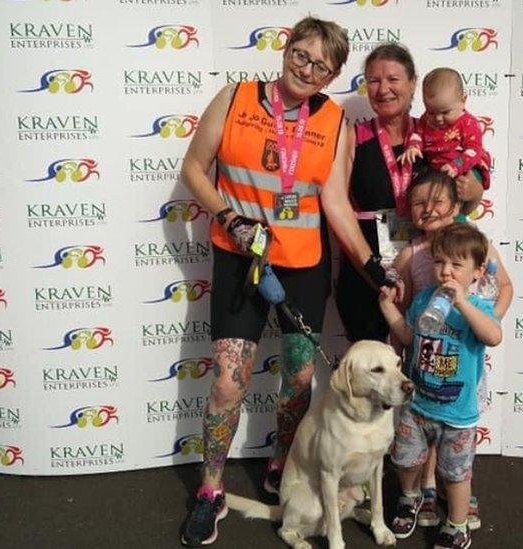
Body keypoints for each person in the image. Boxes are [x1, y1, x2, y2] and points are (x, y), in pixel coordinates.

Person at [178, 17, 394, 547]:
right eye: (302, 55)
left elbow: (336, 204)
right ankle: (211, 491)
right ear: (286, 48)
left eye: (322, 65)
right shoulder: (236, 98)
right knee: (229, 381)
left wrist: (373, 268)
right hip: (240, 258)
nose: (307, 69)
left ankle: (281, 465)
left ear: (333, 74)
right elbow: (194, 168)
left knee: (298, 382)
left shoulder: (336, 121)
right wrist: (228, 216)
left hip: (303, 268)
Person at [336, 44, 487, 343]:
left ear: (413, 83)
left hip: (430, 268)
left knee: (430, 360)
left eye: (393, 79)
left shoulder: (437, 133)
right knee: (372, 369)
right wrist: (372, 270)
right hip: (367, 272)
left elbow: (466, 203)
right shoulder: (354, 137)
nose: (383, 89)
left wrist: (476, 190)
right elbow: (336, 204)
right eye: (374, 80)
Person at [393, 170, 514, 531]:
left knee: (453, 441)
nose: (428, 209)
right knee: (420, 433)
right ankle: (424, 490)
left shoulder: (476, 244)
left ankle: (452, 496)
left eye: (437, 202)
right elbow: (404, 310)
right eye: (419, 203)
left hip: (461, 355)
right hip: (425, 357)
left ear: (455, 205)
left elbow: (505, 286)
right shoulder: (412, 252)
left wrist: (483, 321)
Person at [379, 223, 503, 549]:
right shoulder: (422, 300)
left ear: (476, 272)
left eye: (456, 265)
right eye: (439, 263)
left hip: (457, 415)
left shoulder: (479, 308)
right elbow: (408, 337)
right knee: (405, 460)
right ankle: (409, 497)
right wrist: (387, 308)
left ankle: (458, 526)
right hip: (418, 406)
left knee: (456, 474)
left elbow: (494, 336)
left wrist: (462, 303)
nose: (446, 272)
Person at [398, 67, 491, 218]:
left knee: (454, 211)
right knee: (436, 209)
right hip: (439, 171)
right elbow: (417, 134)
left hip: (465, 168)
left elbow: (474, 151)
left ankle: (457, 236)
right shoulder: (426, 119)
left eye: (445, 112)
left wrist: (456, 166)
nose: (438, 118)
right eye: (431, 112)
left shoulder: (468, 123)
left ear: (463, 101)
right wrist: (413, 147)